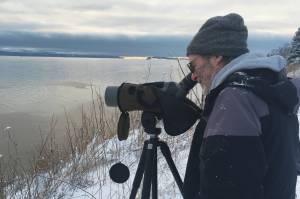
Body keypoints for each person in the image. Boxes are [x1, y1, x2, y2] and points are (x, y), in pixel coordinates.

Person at [183, 13, 300, 199]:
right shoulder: (266, 88)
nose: (194, 76)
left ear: (216, 56)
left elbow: (226, 190)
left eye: (193, 65)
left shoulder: (235, 101)